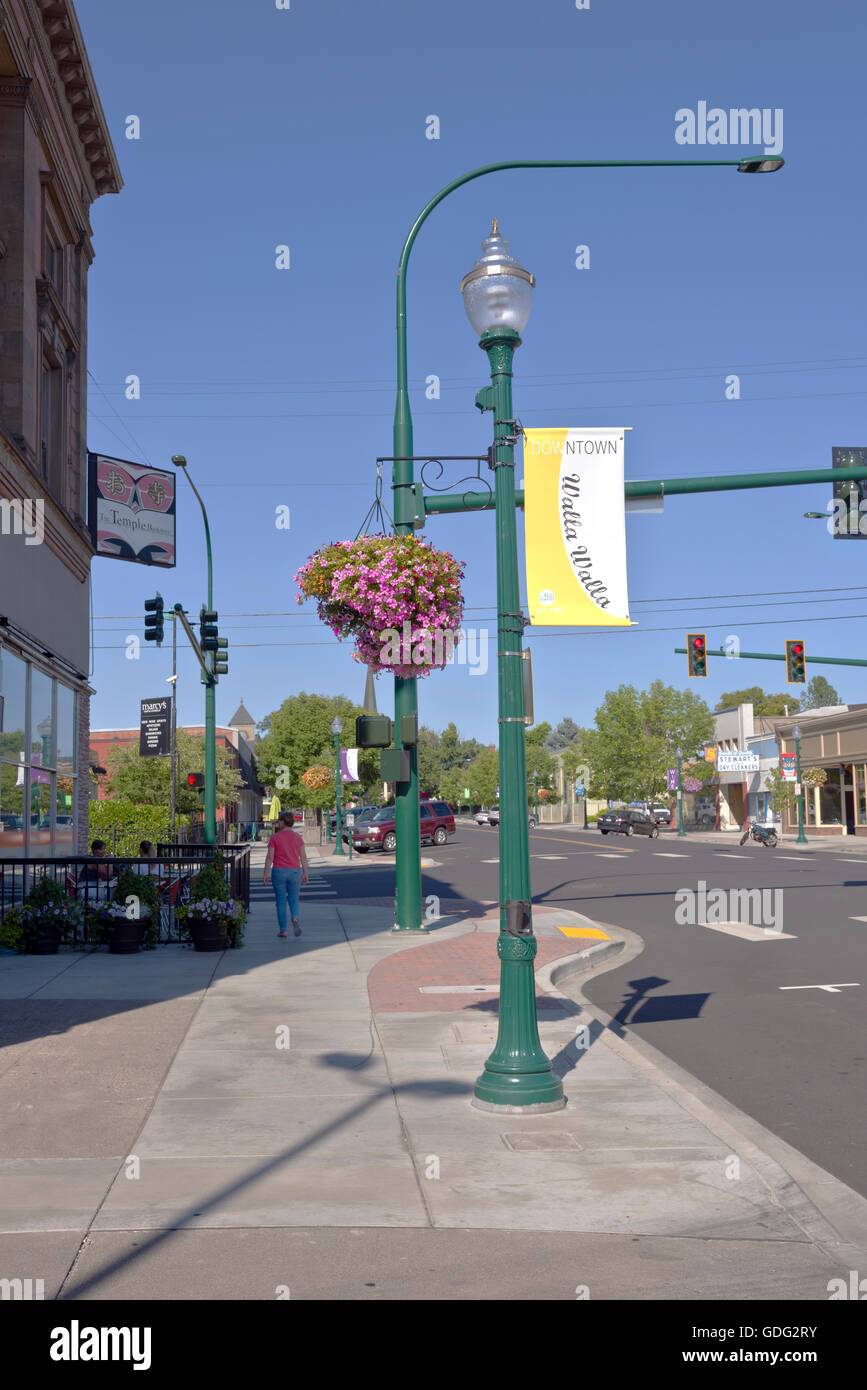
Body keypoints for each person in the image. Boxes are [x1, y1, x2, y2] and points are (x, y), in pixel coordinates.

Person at [263, 810, 308, 938]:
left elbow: (269, 857)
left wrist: (265, 873)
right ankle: (294, 917)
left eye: (279, 820)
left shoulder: (275, 837)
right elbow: (303, 858)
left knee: (281, 902)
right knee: (294, 899)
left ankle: (283, 930)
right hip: (295, 871)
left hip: (279, 872)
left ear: (283, 822)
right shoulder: (298, 838)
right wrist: (305, 873)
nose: (278, 823)